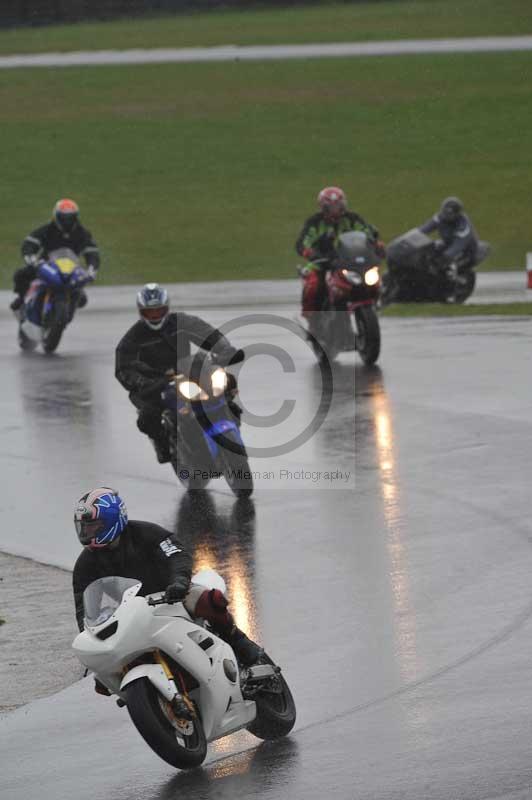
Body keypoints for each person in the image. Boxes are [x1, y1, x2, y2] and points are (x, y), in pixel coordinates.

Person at [72, 487, 263, 695]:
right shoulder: (85, 565)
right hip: (132, 616)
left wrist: (180, 582)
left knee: (208, 600)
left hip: (172, 596)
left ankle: (243, 646)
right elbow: (84, 609)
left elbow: (177, 554)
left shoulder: (146, 533)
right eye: (84, 528)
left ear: (112, 521)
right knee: (105, 676)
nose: (87, 533)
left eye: (94, 527)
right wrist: (94, 646)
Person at [115, 283, 244, 464]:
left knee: (225, 381)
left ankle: (230, 411)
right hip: (155, 381)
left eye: (159, 311)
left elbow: (207, 333)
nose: (155, 316)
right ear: (141, 312)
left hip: (187, 370)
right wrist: (140, 381)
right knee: (148, 415)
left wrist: (225, 349)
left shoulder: (182, 322)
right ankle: (162, 442)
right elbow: (123, 367)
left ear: (167, 309)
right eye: (150, 313)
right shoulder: (133, 337)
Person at [295, 186, 384, 328]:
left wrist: (376, 245)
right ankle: (312, 318)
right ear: (323, 207)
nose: (335, 210)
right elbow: (302, 243)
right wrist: (310, 253)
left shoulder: (353, 219)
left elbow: (367, 233)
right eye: (330, 207)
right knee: (313, 283)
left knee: (374, 276)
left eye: (338, 206)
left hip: (349, 261)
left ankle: (375, 301)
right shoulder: (314, 222)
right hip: (321, 261)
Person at [10, 198, 100, 311]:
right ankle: (22, 298)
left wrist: (92, 269)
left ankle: (71, 302)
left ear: (76, 217)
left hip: (71, 269)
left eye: (70, 218)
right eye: (63, 218)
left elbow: (92, 253)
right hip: (46, 265)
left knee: (82, 300)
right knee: (20, 275)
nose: (67, 222)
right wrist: (31, 258)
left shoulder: (83, 233)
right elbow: (29, 244)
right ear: (56, 216)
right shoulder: (47, 230)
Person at [419, 196, 480, 273]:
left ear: (457, 214)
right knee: (430, 252)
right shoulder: (439, 217)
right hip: (448, 244)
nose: (445, 215)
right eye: (444, 212)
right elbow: (424, 229)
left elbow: (457, 246)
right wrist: (413, 236)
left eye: (449, 214)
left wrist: (444, 257)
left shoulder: (463, 227)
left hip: (466, 251)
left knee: (445, 268)